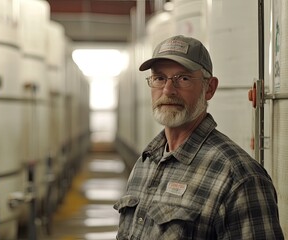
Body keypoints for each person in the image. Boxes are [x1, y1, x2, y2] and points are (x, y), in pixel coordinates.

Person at [113, 35, 284, 239]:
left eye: (183, 79)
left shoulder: (239, 177)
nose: (168, 90)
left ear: (209, 88)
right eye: (159, 78)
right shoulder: (146, 163)